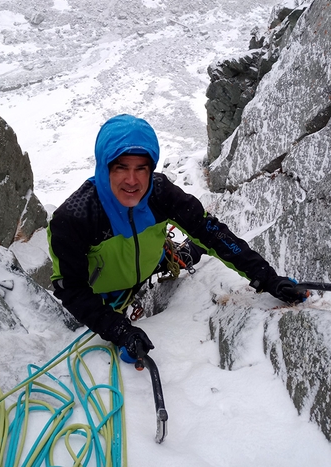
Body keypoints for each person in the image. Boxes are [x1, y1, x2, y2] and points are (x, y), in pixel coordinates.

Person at [47, 114, 305, 361]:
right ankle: (173, 257)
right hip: (105, 292)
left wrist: (267, 278)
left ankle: (177, 256)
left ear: (151, 169)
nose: (132, 180)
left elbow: (212, 233)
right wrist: (118, 329)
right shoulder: (74, 218)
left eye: (141, 168)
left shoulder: (160, 193)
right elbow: (71, 288)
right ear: (104, 168)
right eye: (120, 168)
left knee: (189, 249)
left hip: (149, 261)